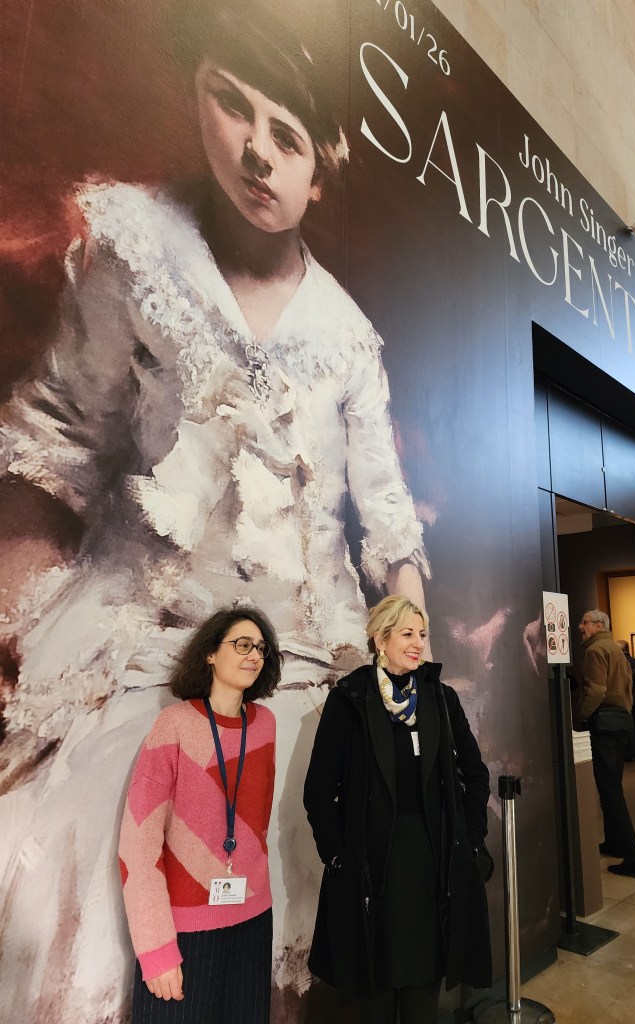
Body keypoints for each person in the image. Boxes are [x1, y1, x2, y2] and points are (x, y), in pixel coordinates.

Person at [0, 2, 428, 1016]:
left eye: (285, 136)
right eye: (233, 108)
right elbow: (58, 438)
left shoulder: (349, 341)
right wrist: (13, 618)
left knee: (308, 868)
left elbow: (391, 526)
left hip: (306, 647)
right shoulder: (138, 248)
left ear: (322, 163)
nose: (255, 152)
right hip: (140, 630)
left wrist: (407, 656)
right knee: (70, 871)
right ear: (201, 95)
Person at [303, 596, 492, 1023]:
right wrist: (336, 856)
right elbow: (318, 790)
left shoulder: (440, 698)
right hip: (372, 866)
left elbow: (475, 775)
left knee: (426, 981)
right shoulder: (350, 699)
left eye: (421, 634)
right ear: (380, 639)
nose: (418, 644)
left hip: (432, 861)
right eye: (407, 634)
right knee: (377, 983)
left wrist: (470, 838)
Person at [119, 607, 280, 1022]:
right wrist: (155, 947)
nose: (253, 655)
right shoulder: (172, 725)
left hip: (252, 922)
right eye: (242, 644)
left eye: (261, 648)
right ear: (210, 653)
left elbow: (257, 824)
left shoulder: (265, 725)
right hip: (184, 932)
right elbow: (138, 846)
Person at [573, 610, 635, 879]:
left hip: (603, 726)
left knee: (610, 791)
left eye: (584, 622)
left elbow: (595, 690)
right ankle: (615, 842)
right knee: (611, 787)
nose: (580, 626)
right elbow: (627, 689)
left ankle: (634, 857)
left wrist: (578, 716)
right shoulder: (615, 650)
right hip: (619, 723)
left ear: (597, 625)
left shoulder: (595, 651)